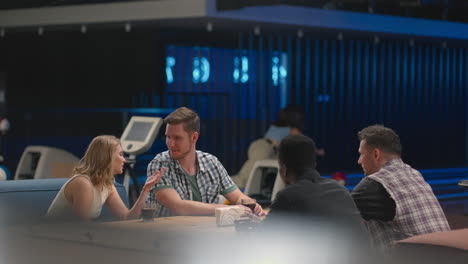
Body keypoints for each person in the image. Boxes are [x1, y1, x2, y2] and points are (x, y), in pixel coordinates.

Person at [147, 107, 265, 217]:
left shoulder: (211, 162)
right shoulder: (159, 165)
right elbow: (178, 207)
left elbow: (237, 196)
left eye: (177, 138)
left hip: (206, 235)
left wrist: (251, 205)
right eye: (168, 137)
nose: (170, 144)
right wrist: (228, 210)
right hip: (166, 236)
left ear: (194, 137)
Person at [351, 125, 450, 252]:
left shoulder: (374, 184)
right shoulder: (414, 174)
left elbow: (337, 222)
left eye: (361, 154)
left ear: (376, 154)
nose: (359, 161)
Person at [46, 135, 165, 222]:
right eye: (121, 154)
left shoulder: (107, 185)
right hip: (49, 239)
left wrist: (146, 189)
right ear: (106, 158)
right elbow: (81, 227)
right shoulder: (83, 183)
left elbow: (127, 218)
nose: (124, 160)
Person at [265, 134, 366, 231]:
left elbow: (262, 237)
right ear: (314, 163)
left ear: (284, 169)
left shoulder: (288, 196)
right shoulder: (340, 190)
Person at [232, 105, 324, 189]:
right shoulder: (289, 128)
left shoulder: (282, 126)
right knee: (246, 179)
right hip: (264, 147)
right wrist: (318, 151)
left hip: (269, 149)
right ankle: (222, 185)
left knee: (258, 179)